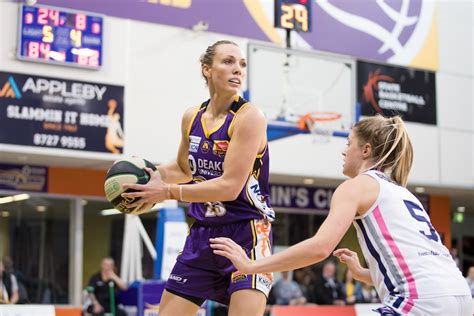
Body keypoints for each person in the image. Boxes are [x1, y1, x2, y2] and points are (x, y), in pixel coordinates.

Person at [211, 115, 473, 315]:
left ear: (366, 150)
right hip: (460, 296)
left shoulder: (355, 187)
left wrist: (252, 265)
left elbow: (320, 248)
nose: (344, 150)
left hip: (422, 301)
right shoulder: (404, 193)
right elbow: (422, 269)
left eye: (349, 143)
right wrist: (363, 272)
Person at [121, 40, 275, 316]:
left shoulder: (250, 117)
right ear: (207, 69)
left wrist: (167, 192)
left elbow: (229, 187)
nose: (237, 69)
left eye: (241, 64)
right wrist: (150, 175)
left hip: (247, 232)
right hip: (203, 232)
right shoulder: (192, 116)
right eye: (228, 61)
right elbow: (183, 168)